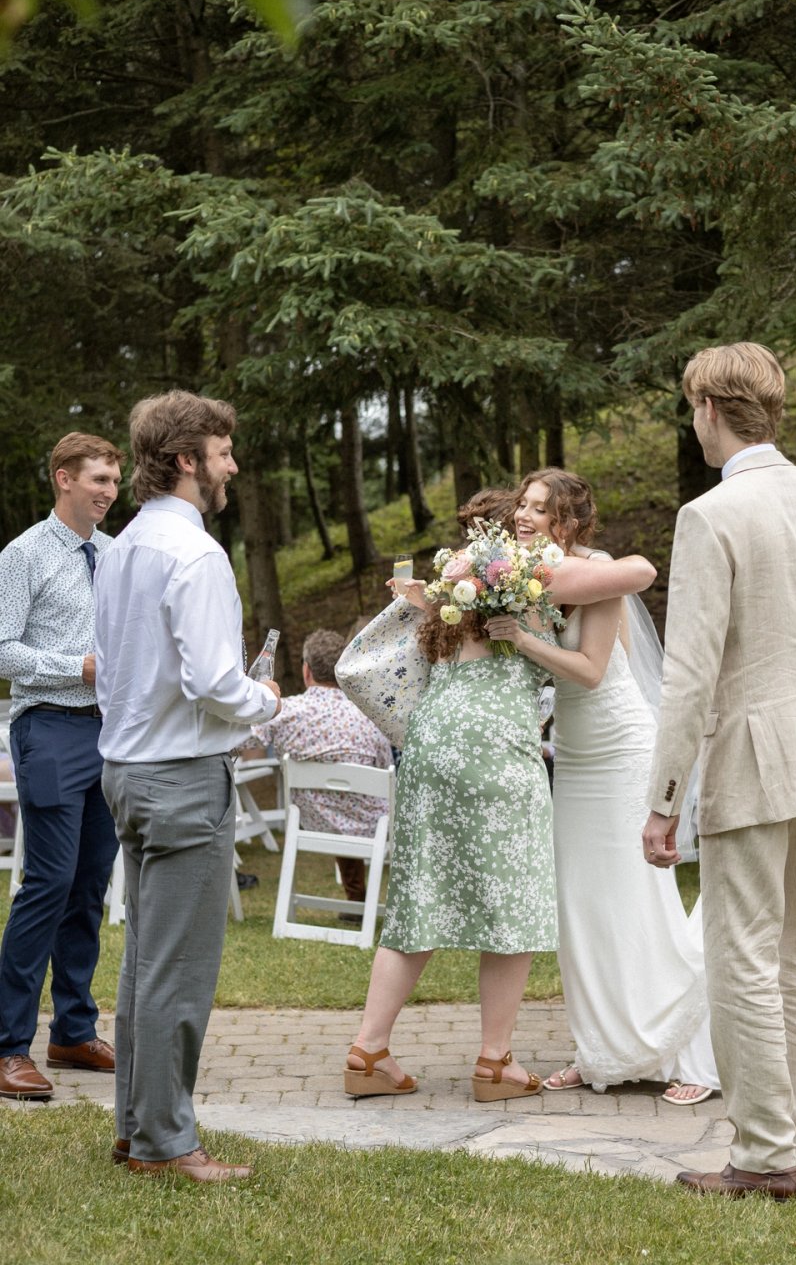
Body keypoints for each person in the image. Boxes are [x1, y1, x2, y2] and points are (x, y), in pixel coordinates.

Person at [641, 342, 796, 1202]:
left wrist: (663, 800)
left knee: (742, 958)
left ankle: (762, 1158)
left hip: (751, 751)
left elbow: (689, 673)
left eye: (692, 410)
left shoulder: (712, 515)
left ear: (709, 407)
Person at [344, 507, 657, 1100]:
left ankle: (368, 1051)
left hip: (430, 739)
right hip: (495, 744)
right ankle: (495, 1063)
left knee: (417, 896)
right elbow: (639, 573)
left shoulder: (456, 578)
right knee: (513, 899)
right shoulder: (534, 573)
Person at [94, 390, 281, 1183]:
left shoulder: (124, 547)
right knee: (178, 971)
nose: (231, 463)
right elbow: (212, 679)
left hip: (127, 773)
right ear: (184, 461)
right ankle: (169, 1145)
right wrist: (267, 701)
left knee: (145, 963)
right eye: (222, 450)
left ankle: (138, 1134)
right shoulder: (195, 555)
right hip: (177, 778)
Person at [486, 468, 718, 1101]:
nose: (525, 516)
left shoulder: (597, 570)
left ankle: (691, 1054)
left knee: (637, 900)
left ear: (569, 518)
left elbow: (588, 672)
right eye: (523, 506)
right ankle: (606, 1052)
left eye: (541, 507)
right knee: (582, 905)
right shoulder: (523, 574)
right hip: (576, 757)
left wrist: (523, 640)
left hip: (619, 750)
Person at [0, 432, 124, 1102]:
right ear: (63, 479)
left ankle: (73, 1031)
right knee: (47, 883)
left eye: (113, 481)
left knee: (89, 885)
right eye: (97, 480)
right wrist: (73, 667)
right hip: (47, 727)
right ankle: (7, 1046)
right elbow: (1, 650)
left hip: (109, 732)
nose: (108, 492)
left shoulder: (114, 555)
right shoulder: (21, 555)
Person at [243, 628, 393, 905]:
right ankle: (359, 902)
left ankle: (355, 900)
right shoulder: (370, 714)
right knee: (352, 802)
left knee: (336, 804)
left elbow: (243, 740)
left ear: (306, 671)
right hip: (368, 825)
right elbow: (385, 769)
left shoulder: (283, 712)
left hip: (309, 821)